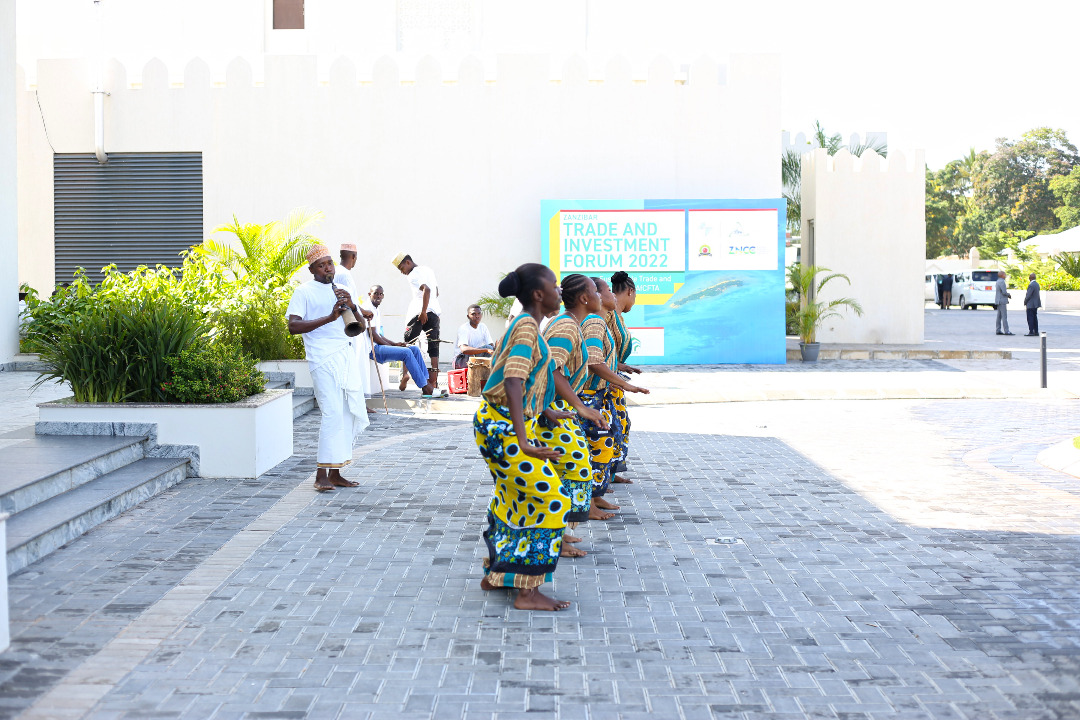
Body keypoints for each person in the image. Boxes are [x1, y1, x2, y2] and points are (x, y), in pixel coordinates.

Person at [474, 263, 571, 611]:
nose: (560, 292)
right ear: (537, 294)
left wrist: (544, 410)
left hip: (496, 423)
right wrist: (525, 440)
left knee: (513, 497)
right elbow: (513, 380)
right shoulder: (528, 325)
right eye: (555, 287)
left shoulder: (524, 324)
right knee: (550, 500)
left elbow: (523, 378)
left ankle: (496, 573)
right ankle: (527, 592)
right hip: (503, 426)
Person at [287, 245, 370, 492]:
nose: (327, 269)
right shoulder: (303, 292)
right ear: (311, 269)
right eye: (321, 265)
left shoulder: (340, 291)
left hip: (343, 356)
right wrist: (329, 318)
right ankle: (320, 475)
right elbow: (293, 326)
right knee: (331, 413)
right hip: (321, 359)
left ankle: (335, 473)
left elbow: (362, 328)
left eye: (330, 264)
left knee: (345, 413)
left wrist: (353, 306)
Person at [541, 276, 609, 556]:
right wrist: (581, 407)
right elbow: (551, 369)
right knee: (573, 470)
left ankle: (562, 536)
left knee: (570, 471)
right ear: (583, 298)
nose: (598, 296)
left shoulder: (570, 325)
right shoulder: (567, 326)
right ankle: (557, 539)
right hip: (552, 411)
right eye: (594, 291)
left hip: (556, 409)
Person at [579, 276, 649, 519]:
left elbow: (600, 355)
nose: (606, 294)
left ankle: (595, 495)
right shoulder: (597, 321)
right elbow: (592, 359)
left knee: (606, 439)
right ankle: (586, 502)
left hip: (600, 388)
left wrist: (619, 368)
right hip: (590, 392)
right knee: (597, 444)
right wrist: (623, 384)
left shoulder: (600, 319)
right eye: (603, 291)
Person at [366, 284, 446, 397]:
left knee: (413, 349)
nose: (378, 296)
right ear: (369, 294)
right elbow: (373, 336)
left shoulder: (375, 309)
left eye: (381, 294)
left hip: (378, 346)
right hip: (373, 349)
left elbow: (379, 335)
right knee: (407, 352)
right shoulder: (368, 308)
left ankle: (427, 385)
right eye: (375, 293)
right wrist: (394, 347)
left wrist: (395, 344)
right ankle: (426, 387)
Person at [607, 271, 642, 481]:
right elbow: (598, 351)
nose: (634, 302)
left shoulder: (617, 315)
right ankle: (604, 473)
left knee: (621, 423)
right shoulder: (609, 314)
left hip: (615, 374)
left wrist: (620, 365)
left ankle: (611, 469)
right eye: (635, 297)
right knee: (614, 424)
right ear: (630, 291)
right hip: (608, 379)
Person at [392, 252, 443, 390]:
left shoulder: (413, 275)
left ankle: (405, 374)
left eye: (402, 269)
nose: (403, 273)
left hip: (419, 313)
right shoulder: (428, 270)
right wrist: (430, 308)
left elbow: (427, 289)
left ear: (408, 262)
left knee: (408, 342)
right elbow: (436, 292)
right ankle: (434, 382)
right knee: (434, 346)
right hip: (434, 312)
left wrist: (423, 311)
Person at [336, 243, 374, 409]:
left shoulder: (340, 272)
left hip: (351, 320)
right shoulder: (344, 275)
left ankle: (358, 403)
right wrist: (361, 313)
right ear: (353, 257)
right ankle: (358, 404)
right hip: (350, 324)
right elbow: (348, 302)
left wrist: (363, 310)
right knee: (355, 366)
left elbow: (353, 303)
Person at [453, 304, 495, 370]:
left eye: (479, 313)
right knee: (488, 348)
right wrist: (486, 350)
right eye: (473, 314)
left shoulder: (483, 326)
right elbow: (464, 350)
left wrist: (497, 348)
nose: (477, 316)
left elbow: (491, 346)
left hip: (474, 357)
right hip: (460, 360)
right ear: (468, 316)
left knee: (493, 351)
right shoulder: (464, 328)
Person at [995, 270, 1013, 336]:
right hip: (1002, 301)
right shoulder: (1002, 282)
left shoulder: (997, 281)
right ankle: (1006, 331)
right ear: (1002, 275)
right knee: (1004, 316)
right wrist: (1009, 295)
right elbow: (1004, 292)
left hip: (998, 300)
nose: (1005, 275)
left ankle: (998, 329)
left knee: (999, 316)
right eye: (1004, 274)